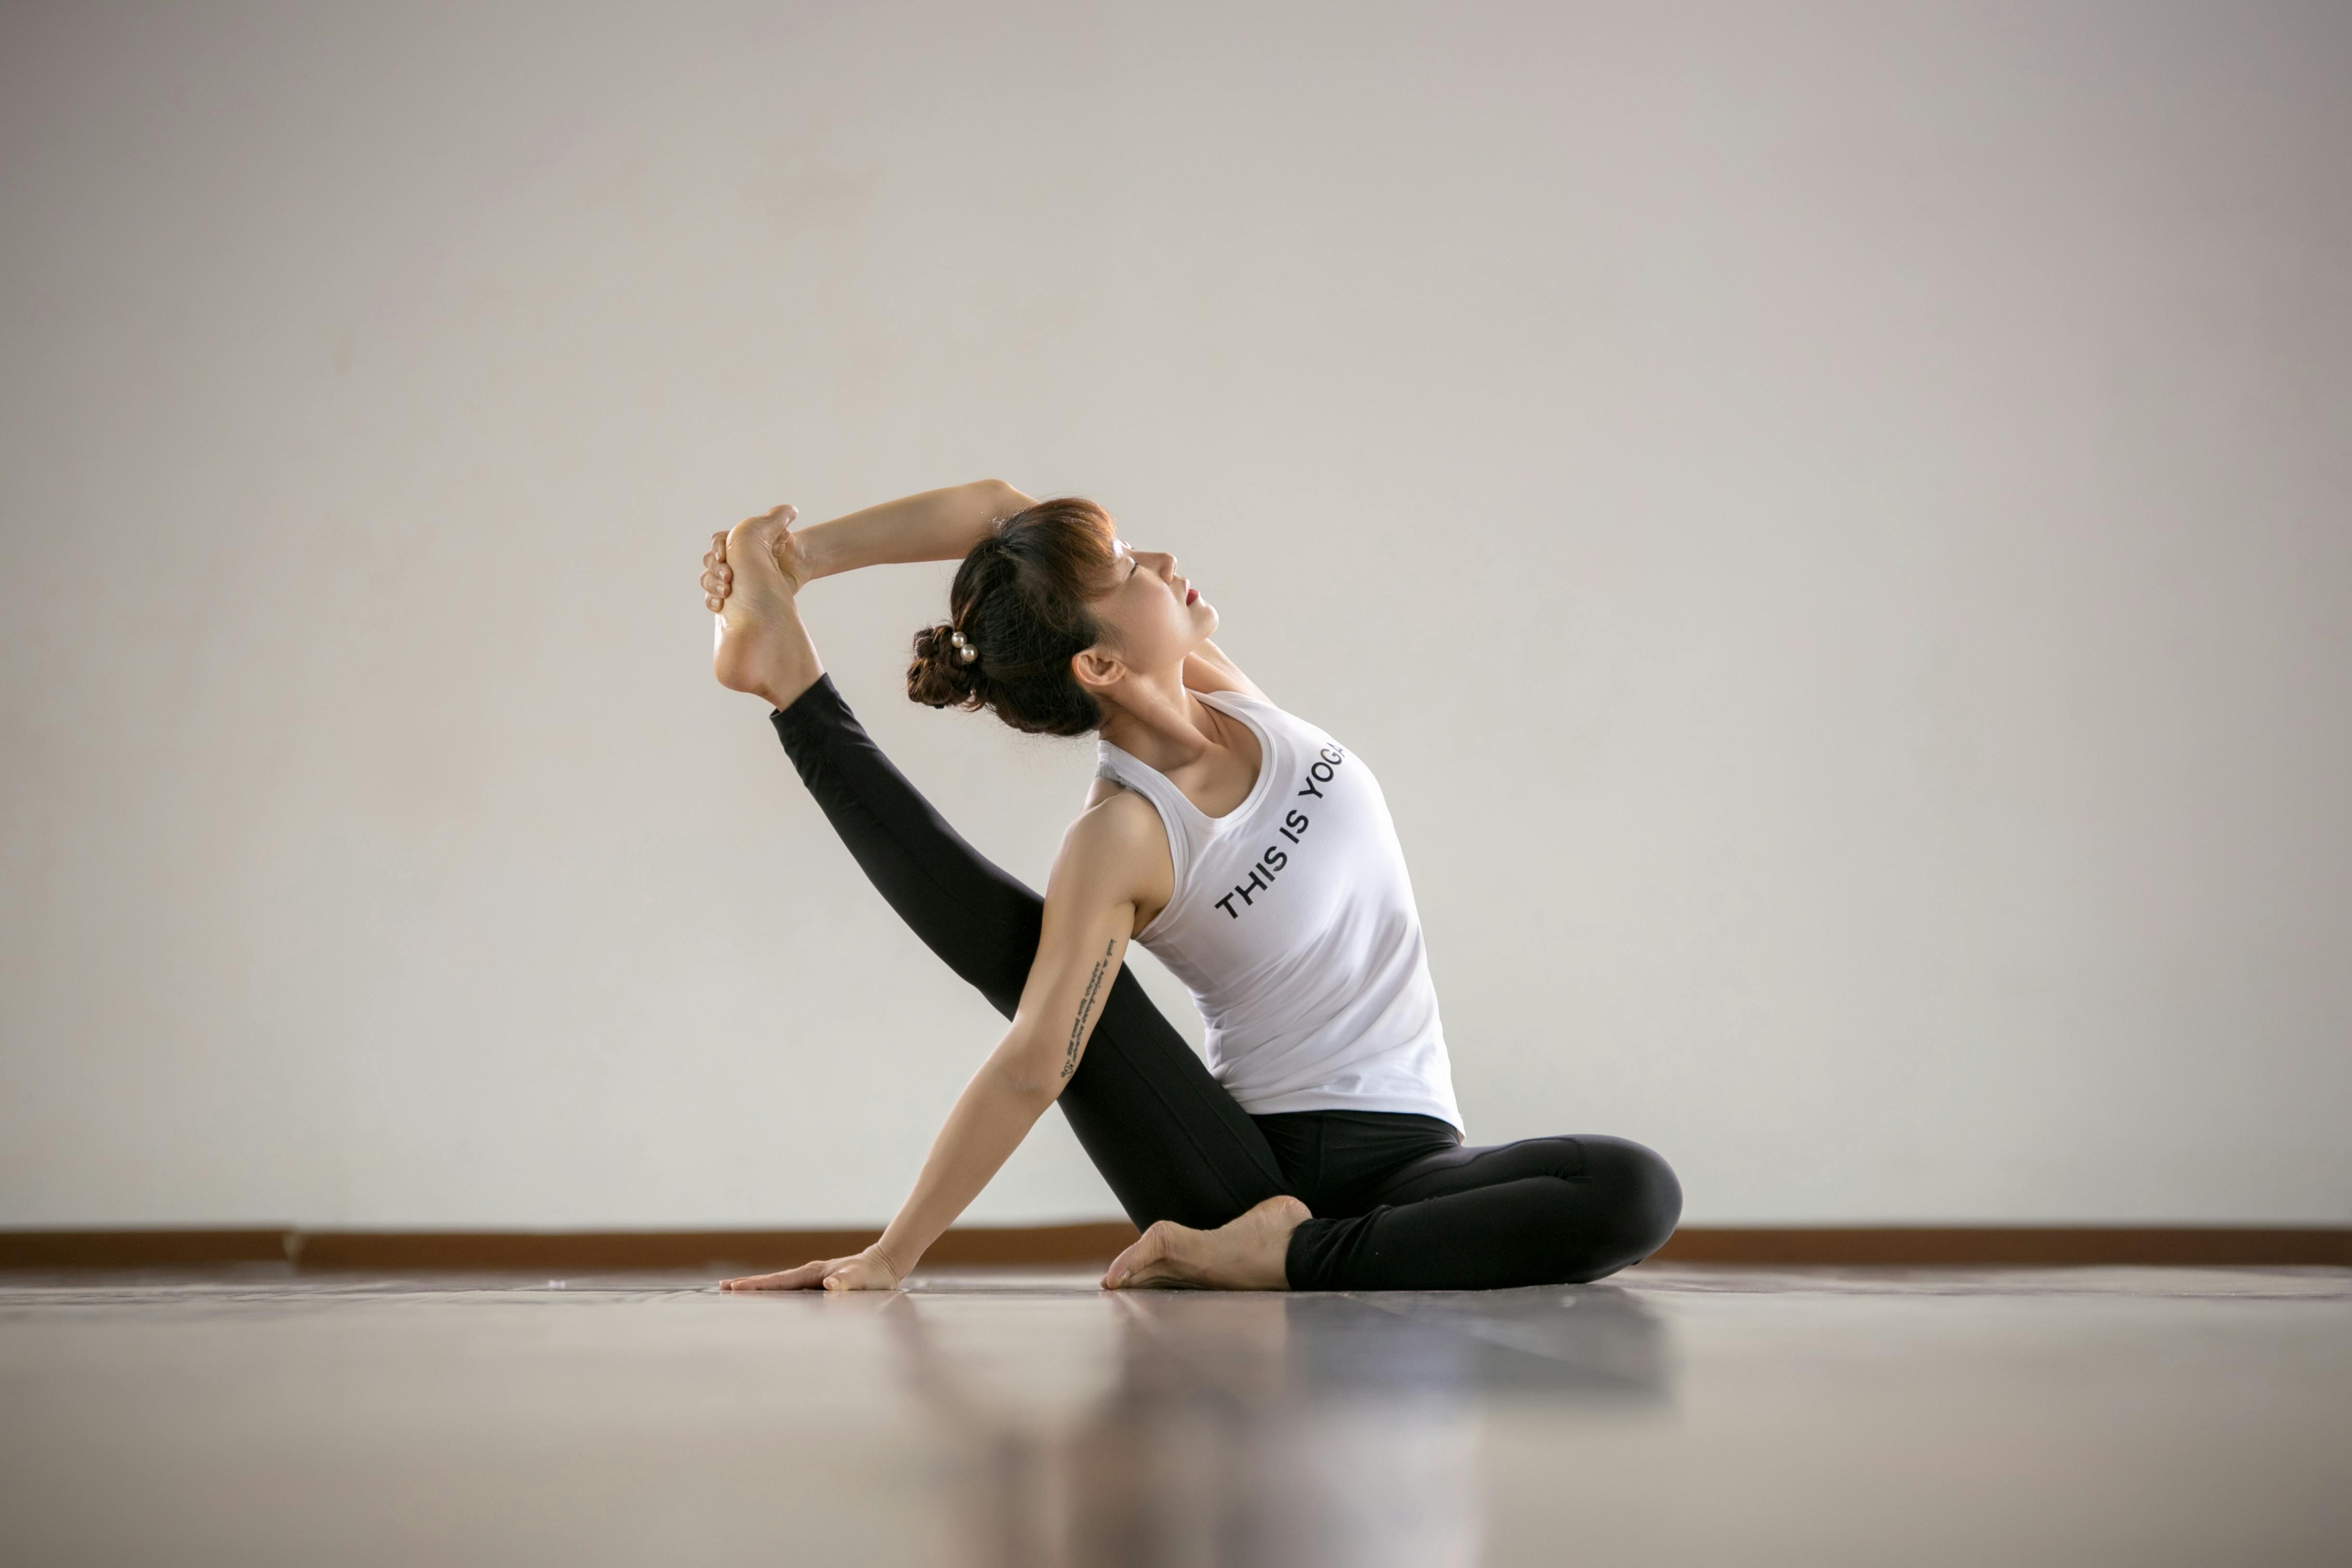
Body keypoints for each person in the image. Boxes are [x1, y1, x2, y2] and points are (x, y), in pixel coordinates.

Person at [699, 481, 1680, 1292]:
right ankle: (794, 689)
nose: (1161, 562)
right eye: (1127, 572)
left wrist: (793, 562)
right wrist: (891, 1254)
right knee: (1042, 961)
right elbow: (1036, 1062)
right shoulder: (1121, 833)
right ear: (1099, 661)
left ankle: (1296, 1258)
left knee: (1634, 1188)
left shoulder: (1214, 688)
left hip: (1418, 1152)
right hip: (1251, 1172)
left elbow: (1000, 510)